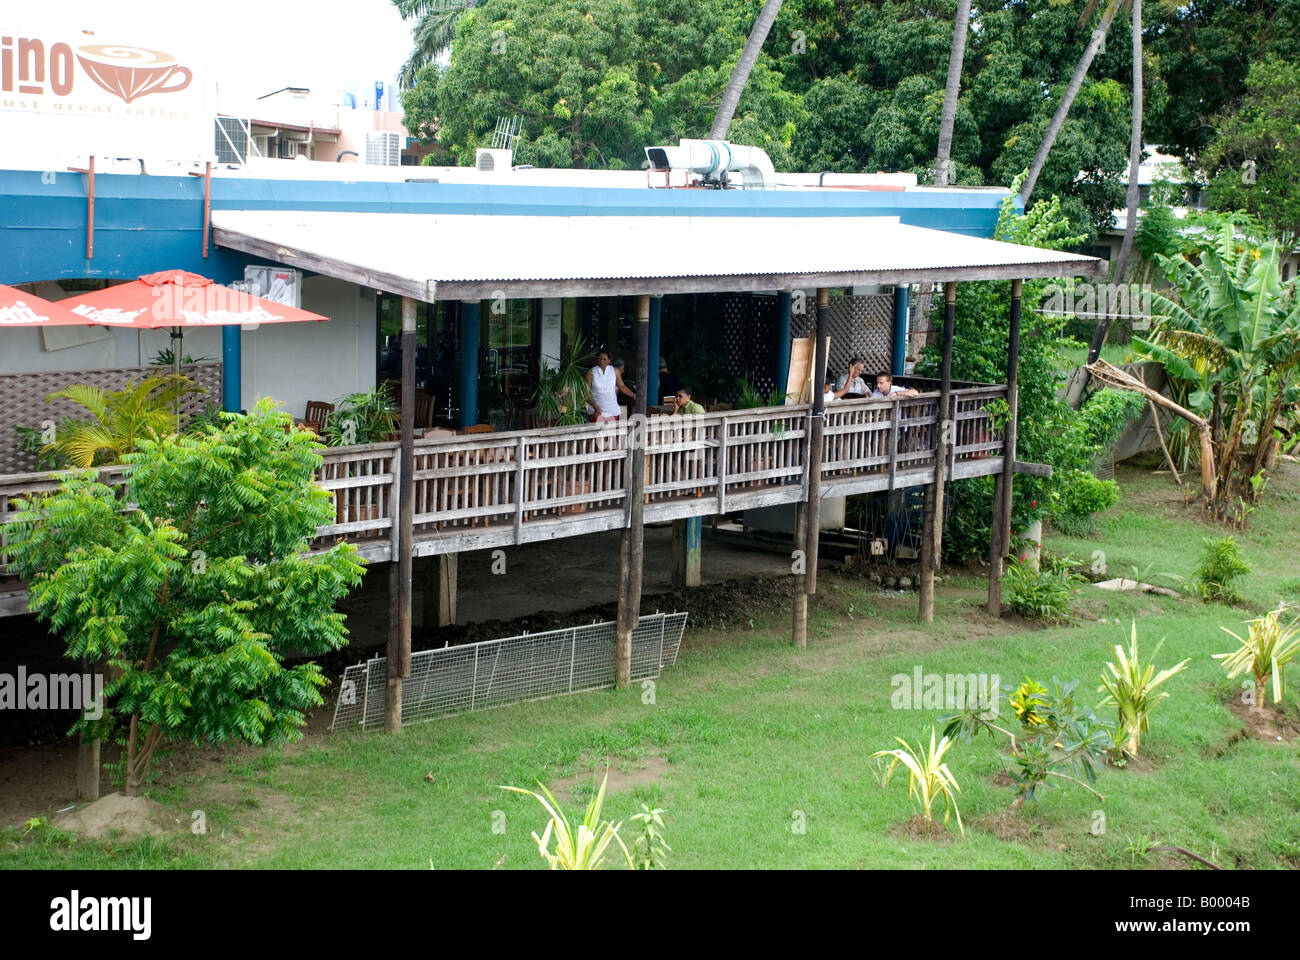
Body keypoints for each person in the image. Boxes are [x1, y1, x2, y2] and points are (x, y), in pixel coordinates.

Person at [587, 348, 636, 421]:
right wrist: (595, 406)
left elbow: (622, 387)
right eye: (599, 359)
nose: (601, 361)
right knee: (598, 432)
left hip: (611, 410)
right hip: (597, 410)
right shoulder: (591, 372)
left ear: (609, 361)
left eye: (604, 359)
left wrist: (633, 395)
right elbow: (586, 392)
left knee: (611, 431)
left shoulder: (615, 371)